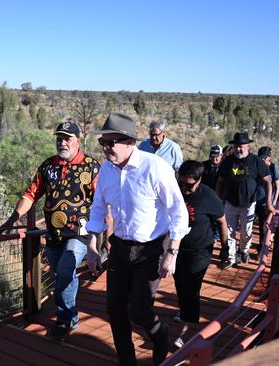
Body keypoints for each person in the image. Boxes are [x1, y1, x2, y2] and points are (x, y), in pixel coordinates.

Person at [85, 112, 188, 366]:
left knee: (139, 311)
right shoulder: (107, 171)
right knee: (115, 310)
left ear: (130, 142)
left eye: (111, 142)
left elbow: (178, 211)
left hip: (151, 249)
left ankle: (161, 336)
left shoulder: (154, 167)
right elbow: (98, 208)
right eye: (103, 143)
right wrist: (92, 246)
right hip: (119, 247)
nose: (106, 148)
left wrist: (171, 253)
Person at [0, 121, 100, 341]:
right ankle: (70, 316)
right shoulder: (47, 166)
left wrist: (98, 241)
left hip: (80, 232)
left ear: (77, 140)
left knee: (64, 271)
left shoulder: (91, 167)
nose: (62, 142)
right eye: (59, 138)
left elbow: (102, 202)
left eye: (67, 138)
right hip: (53, 234)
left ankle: (64, 320)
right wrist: (12, 220)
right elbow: (30, 195)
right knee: (63, 275)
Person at [172, 160, 228, 349]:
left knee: (191, 287)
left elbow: (222, 222)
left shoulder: (209, 197)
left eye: (189, 185)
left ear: (199, 180)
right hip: (178, 247)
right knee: (179, 282)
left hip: (200, 250)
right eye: (181, 183)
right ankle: (185, 311)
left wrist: (225, 249)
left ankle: (187, 332)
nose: (184, 188)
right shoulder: (176, 190)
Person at [216, 132, 273, 269]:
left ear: (248, 146)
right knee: (229, 230)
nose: (239, 149)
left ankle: (244, 251)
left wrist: (269, 202)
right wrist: (218, 200)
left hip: (249, 203)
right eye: (236, 146)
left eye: (241, 146)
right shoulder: (228, 162)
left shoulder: (256, 161)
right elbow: (220, 181)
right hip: (230, 202)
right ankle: (231, 257)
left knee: (246, 231)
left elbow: (268, 181)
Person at [254, 146, 279, 257]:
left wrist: (273, 202)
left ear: (269, 157)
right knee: (250, 226)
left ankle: (262, 249)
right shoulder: (256, 166)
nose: (262, 160)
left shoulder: (274, 167)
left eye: (264, 158)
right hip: (255, 200)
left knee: (264, 227)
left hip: (267, 202)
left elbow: (277, 187)